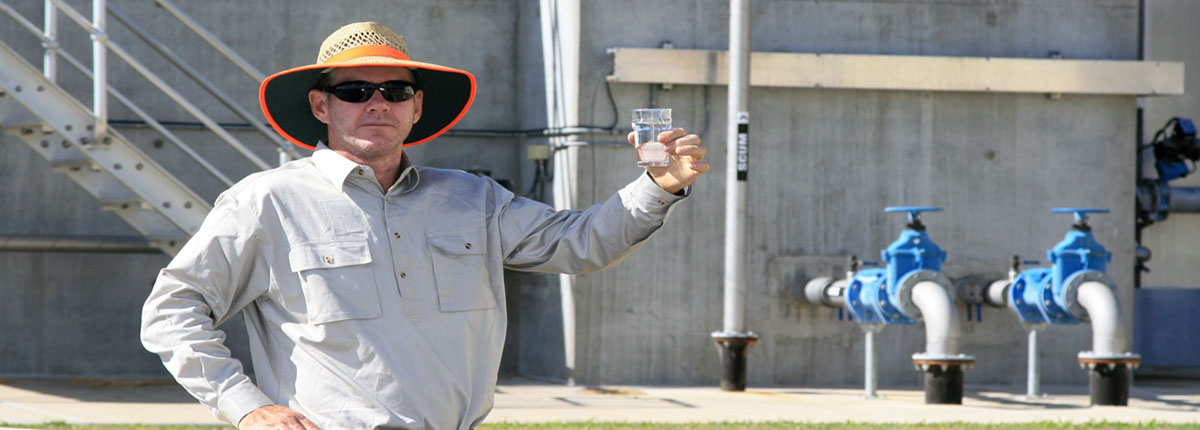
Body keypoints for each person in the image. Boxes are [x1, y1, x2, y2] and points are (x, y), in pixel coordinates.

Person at [140, 21, 708, 430]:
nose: (377, 103)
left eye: (396, 91)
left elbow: (584, 243)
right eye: (354, 91)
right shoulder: (267, 201)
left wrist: (661, 185)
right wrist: (246, 405)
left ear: (415, 108)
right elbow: (172, 309)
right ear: (321, 107)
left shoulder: (474, 198)